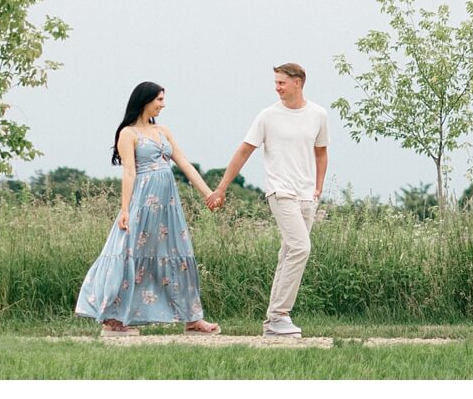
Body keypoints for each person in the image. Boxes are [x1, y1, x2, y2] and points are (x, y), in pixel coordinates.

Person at [75, 81, 222, 336]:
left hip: (168, 205)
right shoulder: (128, 134)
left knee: (179, 255)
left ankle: (192, 318)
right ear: (146, 100)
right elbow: (129, 172)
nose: (163, 105)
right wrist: (124, 210)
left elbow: (184, 163)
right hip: (142, 202)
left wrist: (208, 193)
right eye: (160, 100)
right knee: (129, 254)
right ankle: (113, 320)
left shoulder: (164, 131)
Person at [208, 63, 329, 338]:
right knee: (301, 247)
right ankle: (280, 315)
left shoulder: (318, 115)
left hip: (306, 194)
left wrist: (318, 188)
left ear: (298, 83)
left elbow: (321, 152)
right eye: (275, 82)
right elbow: (244, 151)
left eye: (281, 82)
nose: (277, 87)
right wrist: (221, 188)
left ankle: (273, 321)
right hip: (280, 191)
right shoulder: (267, 116)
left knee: (289, 252)